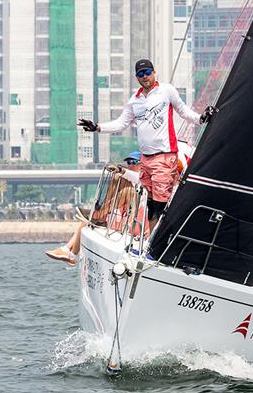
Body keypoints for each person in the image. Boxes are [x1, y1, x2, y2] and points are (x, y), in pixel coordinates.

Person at [78, 58, 216, 231]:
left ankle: (158, 243)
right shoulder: (134, 101)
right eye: (141, 74)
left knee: (160, 203)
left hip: (164, 155)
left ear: (154, 72)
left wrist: (200, 118)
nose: (145, 77)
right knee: (151, 203)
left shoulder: (166, 90)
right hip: (146, 160)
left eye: (148, 73)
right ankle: (150, 242)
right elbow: (121, 123)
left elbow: (183, 111)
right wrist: (97, 127)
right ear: (137, 77)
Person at [46, 153, 143, 266]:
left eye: (134, 162)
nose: (131, 165)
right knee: (86, 221)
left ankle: (70, 253)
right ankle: (68, 252)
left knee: (86, 221)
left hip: (129, 225)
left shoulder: (138, 183)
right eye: (129, 162)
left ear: (142, 164)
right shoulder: (129, 184)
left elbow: (132, 206)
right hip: (119, 220)